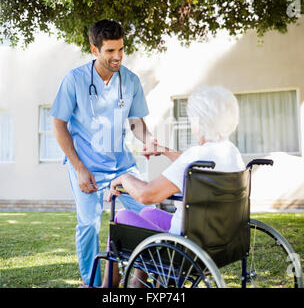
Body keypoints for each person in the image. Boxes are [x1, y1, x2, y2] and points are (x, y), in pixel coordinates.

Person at [50, 19, 162, 288]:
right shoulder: (74, 80)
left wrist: (148, 140)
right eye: (110, 51)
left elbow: (136, 122)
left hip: (121, 166)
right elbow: (58, 125)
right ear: (94, 50)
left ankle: (142, 277)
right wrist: (78, 167)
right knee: (89, 225)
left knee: (149, 214)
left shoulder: (131, 80)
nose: (117, 57)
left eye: (121, 49)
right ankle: (93, 284)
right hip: (85, 165)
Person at [105, 85, 245, 287]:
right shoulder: (230, 152)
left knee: (122, 218)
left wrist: (124, 177)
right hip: (218, 243)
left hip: (183, 248)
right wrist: (164, 151)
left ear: (199, 121)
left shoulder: (196, 155)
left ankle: (108, 287)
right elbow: (190, 164)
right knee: (147, 214)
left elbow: (147, 194)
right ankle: (139, 283)